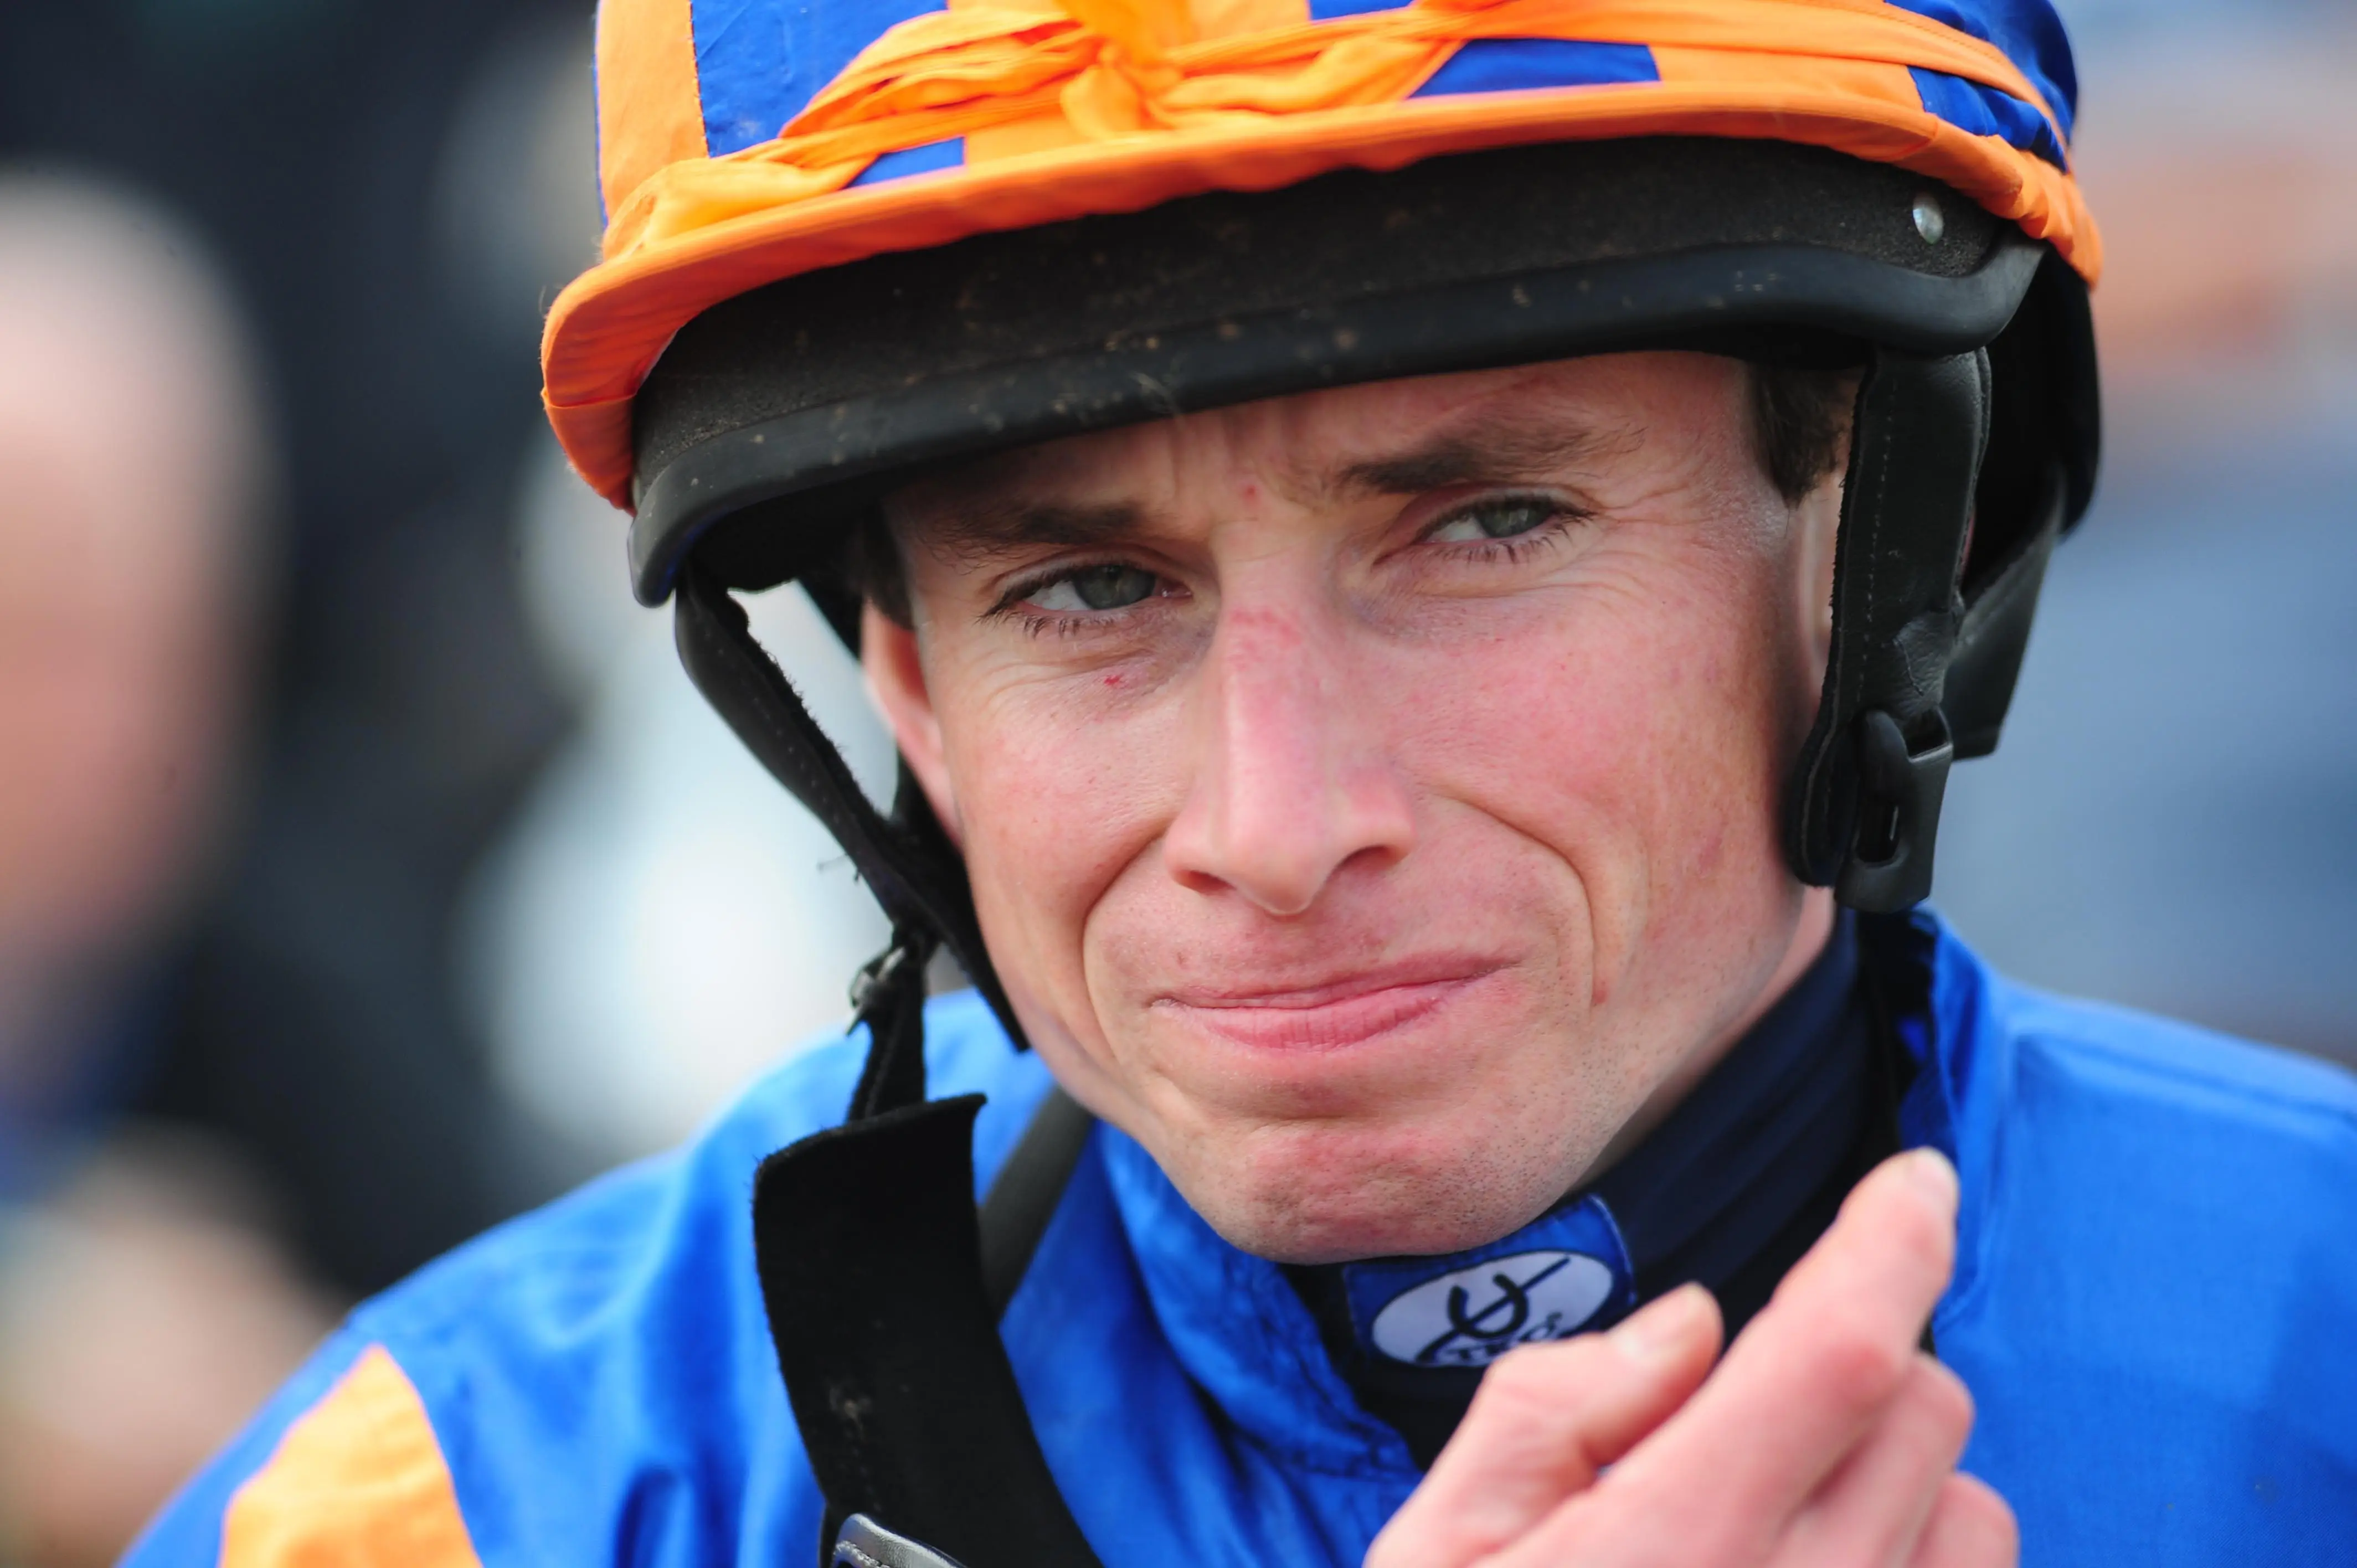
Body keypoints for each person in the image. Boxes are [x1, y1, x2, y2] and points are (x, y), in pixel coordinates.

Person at [130, 0, 2357, 1565]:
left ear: (1884, 561)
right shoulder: (449, 1504)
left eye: (1485, 527)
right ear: (907, 688)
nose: (1274, 828)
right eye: (1089, 589)